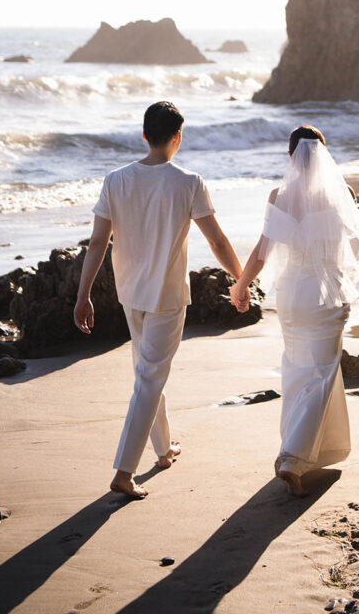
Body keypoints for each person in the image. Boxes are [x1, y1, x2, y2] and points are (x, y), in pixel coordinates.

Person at [74, 100, 246, 499]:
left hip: (129, 292)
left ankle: (164, 448)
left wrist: (83, 295)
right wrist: (241, 279)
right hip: (167, 295)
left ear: (144, 135)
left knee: (147, 374)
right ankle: (124, 471)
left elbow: (98, 241)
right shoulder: (189, 182)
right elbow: (217, 241)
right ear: (177, 138)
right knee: (150, 376)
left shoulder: (115, 180)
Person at [231, 124, 359, 496]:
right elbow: (353, 249)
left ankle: (307, 453)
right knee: (322, 376)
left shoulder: (280, 196)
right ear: (324, 155)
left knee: (297, 372)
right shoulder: (343, 195)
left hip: (292, 296)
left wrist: (242, 284)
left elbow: (263, 251)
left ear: (290, 156)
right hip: (326, 296)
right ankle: (293, 458)